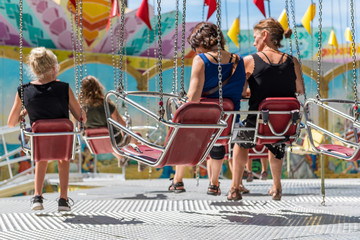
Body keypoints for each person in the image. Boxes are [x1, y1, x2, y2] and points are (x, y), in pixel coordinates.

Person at [228, 18, 305, 201]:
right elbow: (299, 89)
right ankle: (277, 186)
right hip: (284, 125)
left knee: (240, 141)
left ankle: (234, 188)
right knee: (276, 140)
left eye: (255, 38)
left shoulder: (249, 60)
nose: (253, 42)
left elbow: (238, 92)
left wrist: (251, 92)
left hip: (258, 123)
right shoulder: (292, 61)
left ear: (265, 35)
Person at [168, 22, 246, 195]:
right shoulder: (238, 61)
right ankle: (214, 183)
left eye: (195, 47)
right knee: (218, 142)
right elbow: (241, 91)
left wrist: (182, 103)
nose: (195, 51)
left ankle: (178, 180)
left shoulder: (201, 60)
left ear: (201, 42)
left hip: (202, 124)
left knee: (181, 130)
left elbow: (193, 98)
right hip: (227, 125)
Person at [8, 47, 85, 211]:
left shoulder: (24, 90)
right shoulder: (64, 88)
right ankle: (63, 199)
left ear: (34, 69)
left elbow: (11, 122)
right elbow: (81, 117)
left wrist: (26, 109)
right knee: (64, 159)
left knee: (40, 158)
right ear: (53, 68)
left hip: (40, 142)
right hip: (63, 141)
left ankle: (37, 196)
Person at [81, 75, 128, 165]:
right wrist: (126, 135)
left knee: (106, 137)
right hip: (114, 139)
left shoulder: (81, 108)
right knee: (132, 134)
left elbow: (80, 127)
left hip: (93, 142)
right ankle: (137, 156)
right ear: (98, 87)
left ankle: (121, 157)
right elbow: (122, 124)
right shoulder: (106, 104)